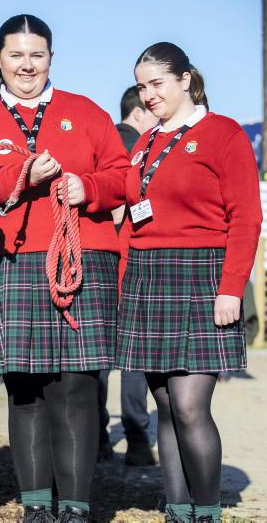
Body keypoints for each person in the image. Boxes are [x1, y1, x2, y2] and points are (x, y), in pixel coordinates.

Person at [67, 42, 262, 523]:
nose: (148, 94)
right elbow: (123, 200)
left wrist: (231, 287)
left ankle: (208, 511)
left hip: (202, 276)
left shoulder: (223, 134)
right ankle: (177, 509)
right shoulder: (145, 144)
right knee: (167, 406)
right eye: (141, 86)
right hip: (146, 278)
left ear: (185, 79)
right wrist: (84, 187)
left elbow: (247, 217)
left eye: (157, 83)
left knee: (191, 406)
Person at [0, 14, 128, 523]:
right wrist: (21, 174)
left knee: (76, 385)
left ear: (51, 58)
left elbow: (124, 176)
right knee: (25, 386)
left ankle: (75, 507)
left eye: (37, 55)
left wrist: (88, 187)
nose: (27, 65)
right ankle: (36, 507)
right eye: (16, 55)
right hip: (6, 260)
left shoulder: (87, 111)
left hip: (80, 256)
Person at [97, 86, 158, 465]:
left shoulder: (100, 147)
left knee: (98, 361)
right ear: (137, 113)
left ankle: (97, 439)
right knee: (134, 359)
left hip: (97, 265)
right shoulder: (142, 150)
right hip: (131, 265)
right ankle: (136, 440)